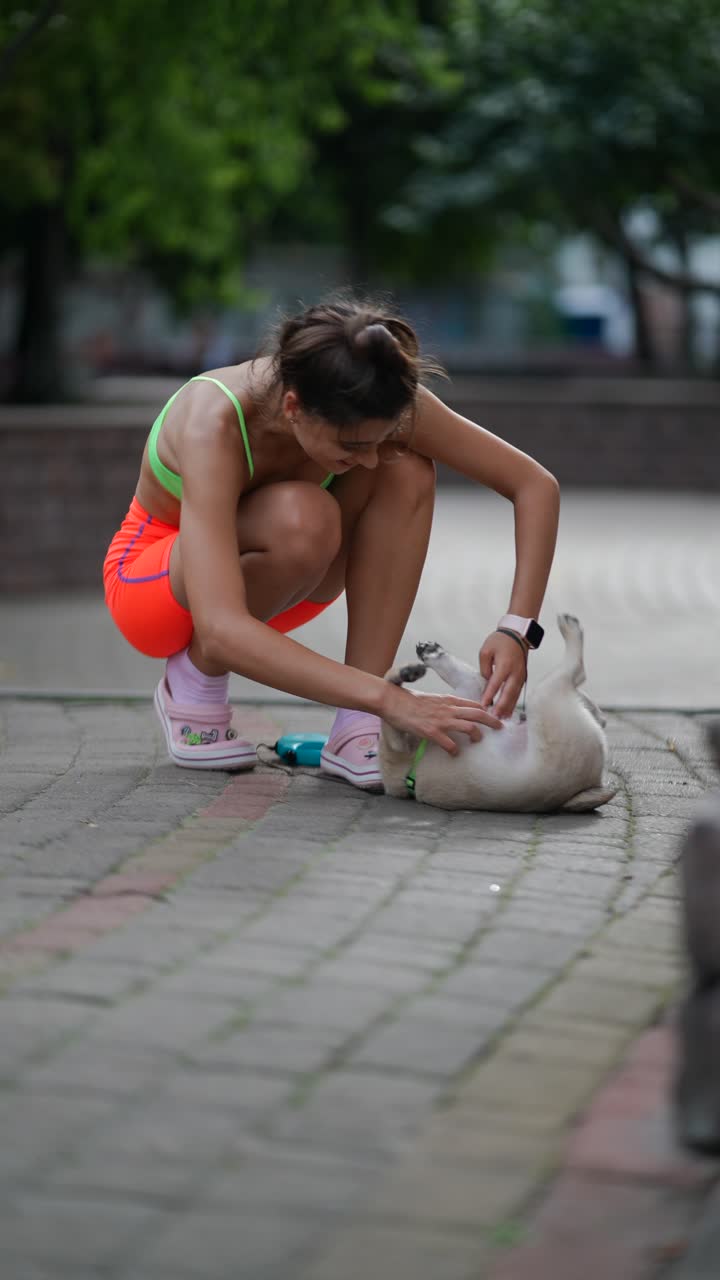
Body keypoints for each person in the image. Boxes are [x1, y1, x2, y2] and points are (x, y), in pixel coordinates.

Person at [103, 294, 559, 791]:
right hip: (155, 591)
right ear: (295, 407)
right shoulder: (213, 420)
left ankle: (354, 732)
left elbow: (534, 485)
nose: (364, 462)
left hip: (288, 583)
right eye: (351, 446)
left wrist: (517, 629)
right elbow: (221, 628)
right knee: (303, 516)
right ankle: (192, 684)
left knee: (404, 466)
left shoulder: (376, 395)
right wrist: (389, 700)